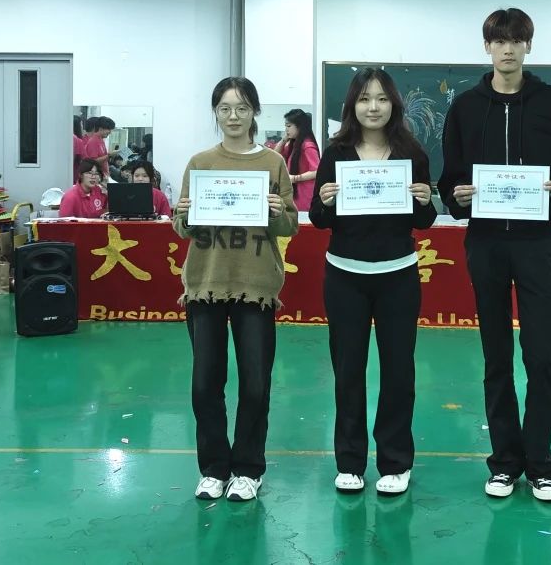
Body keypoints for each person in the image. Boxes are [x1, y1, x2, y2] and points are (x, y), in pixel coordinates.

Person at [438, 7, 551, 502]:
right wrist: (457, 196)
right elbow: (449, 176)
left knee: (541, 355)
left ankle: (541, 465)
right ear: (487, 47)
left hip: (536, 243)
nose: (507, 49)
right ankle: (504, 462)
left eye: (516, 40)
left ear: (528, 45)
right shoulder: (466, 107)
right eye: (499, 40)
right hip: (485, 243)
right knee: (496, 355)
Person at [309, 68, 437, 496]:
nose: (373, 107)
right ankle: (349, 462)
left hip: (398, 275)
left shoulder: (411, 153)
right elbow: (319, 219)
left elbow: (423, 220)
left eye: (381, 98)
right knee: (348, 371)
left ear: (393, 104)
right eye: (365, 99)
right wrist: (325, 200)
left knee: (399, 372)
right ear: (353, 106)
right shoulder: (336, 153)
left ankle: (395, 462)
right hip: (345, 276)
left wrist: (426, 202)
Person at [173, 76, 298, 503]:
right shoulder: (200, 163)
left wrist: (278, 212)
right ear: (216, 113)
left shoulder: (273, 163)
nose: (233, 116)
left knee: (256, 384)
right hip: (205, 284)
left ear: (254, 113)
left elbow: (290, 225)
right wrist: (184, 213)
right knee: (205, 384)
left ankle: (248, 469)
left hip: (256, 285)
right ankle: (213, 469)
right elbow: (181, 227)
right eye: (225, 108)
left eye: (242, 108)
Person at [274, 109, 320, 212]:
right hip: (296, 192)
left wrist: (294, 178)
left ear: (299, 126)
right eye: (285, 126)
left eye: (289, 126)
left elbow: (316, 171)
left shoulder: (307, 145)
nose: (286, 129)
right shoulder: (295, 144)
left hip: (305, 194)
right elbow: (275, 154)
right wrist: (285, 139)